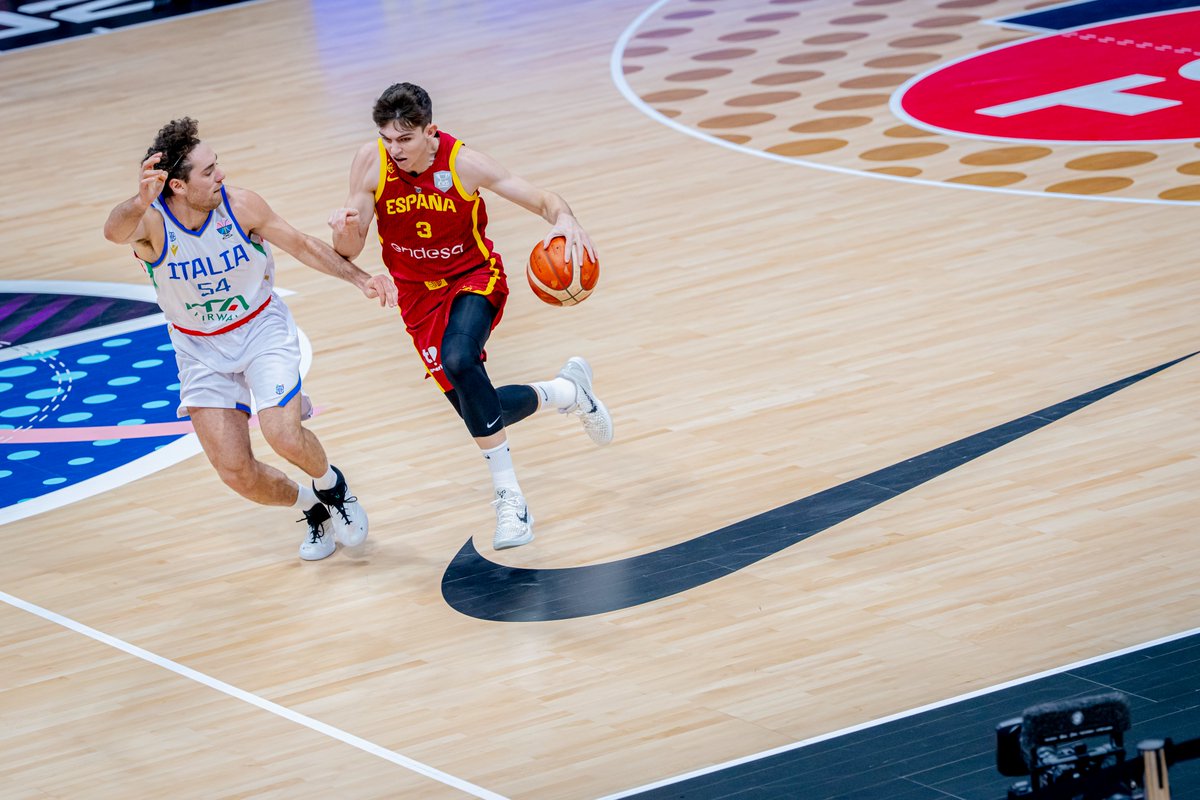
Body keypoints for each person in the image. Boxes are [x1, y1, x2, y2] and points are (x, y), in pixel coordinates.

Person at [327, 82, 612, 550]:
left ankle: (511, 501)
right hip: (416, 297)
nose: (394, 150)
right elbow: (351, 247)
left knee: (460, 360)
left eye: (405, 139)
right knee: (479, 410)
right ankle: (567, 391)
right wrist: (344, 232)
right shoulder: (371, 160)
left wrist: (565, 219)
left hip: (474, 279)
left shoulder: (463, 163)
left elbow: (542, 199)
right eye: (387, 139)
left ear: (430, 131)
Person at [103, 117, 398, 561]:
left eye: (217, 165)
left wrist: (360, 279)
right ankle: (312, 508)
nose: (221, 175)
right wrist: (138, 199)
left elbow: (301, 244)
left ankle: (333, 487)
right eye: (208, 172)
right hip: (199, 348)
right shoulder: (152, 223)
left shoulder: (241, 206)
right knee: (236, 472)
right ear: (178, 187)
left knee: (282, 435)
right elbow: (113, 230)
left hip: (261, 329)